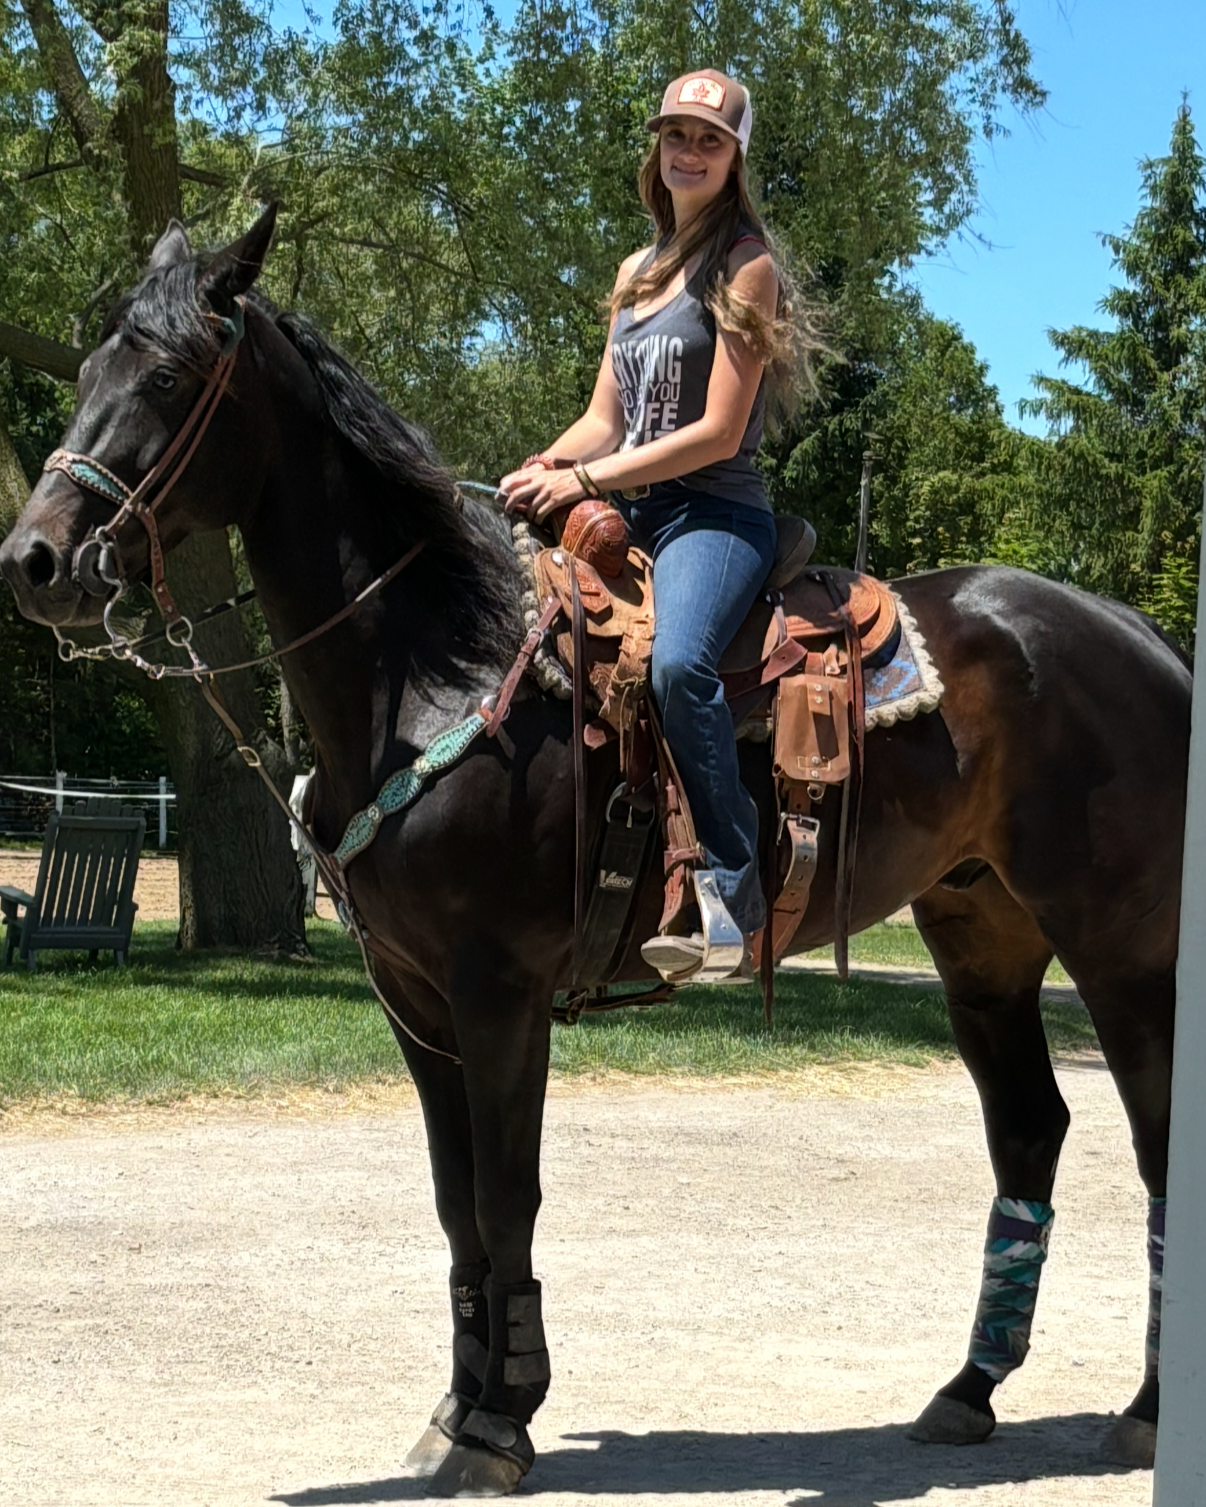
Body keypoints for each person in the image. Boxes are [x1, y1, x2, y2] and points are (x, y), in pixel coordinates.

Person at [499, 67, 819, 981]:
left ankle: (734, 885)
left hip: (714, 513)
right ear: (658, 148)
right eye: (677, 135)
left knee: (679, 665)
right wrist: (544, 466)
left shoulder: (747, 264)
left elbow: (716, 430)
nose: (690, 151)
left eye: (710, 140)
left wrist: (585, 477)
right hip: (631, 506)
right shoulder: (636, 273)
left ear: (735, 159)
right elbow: (605, 418)